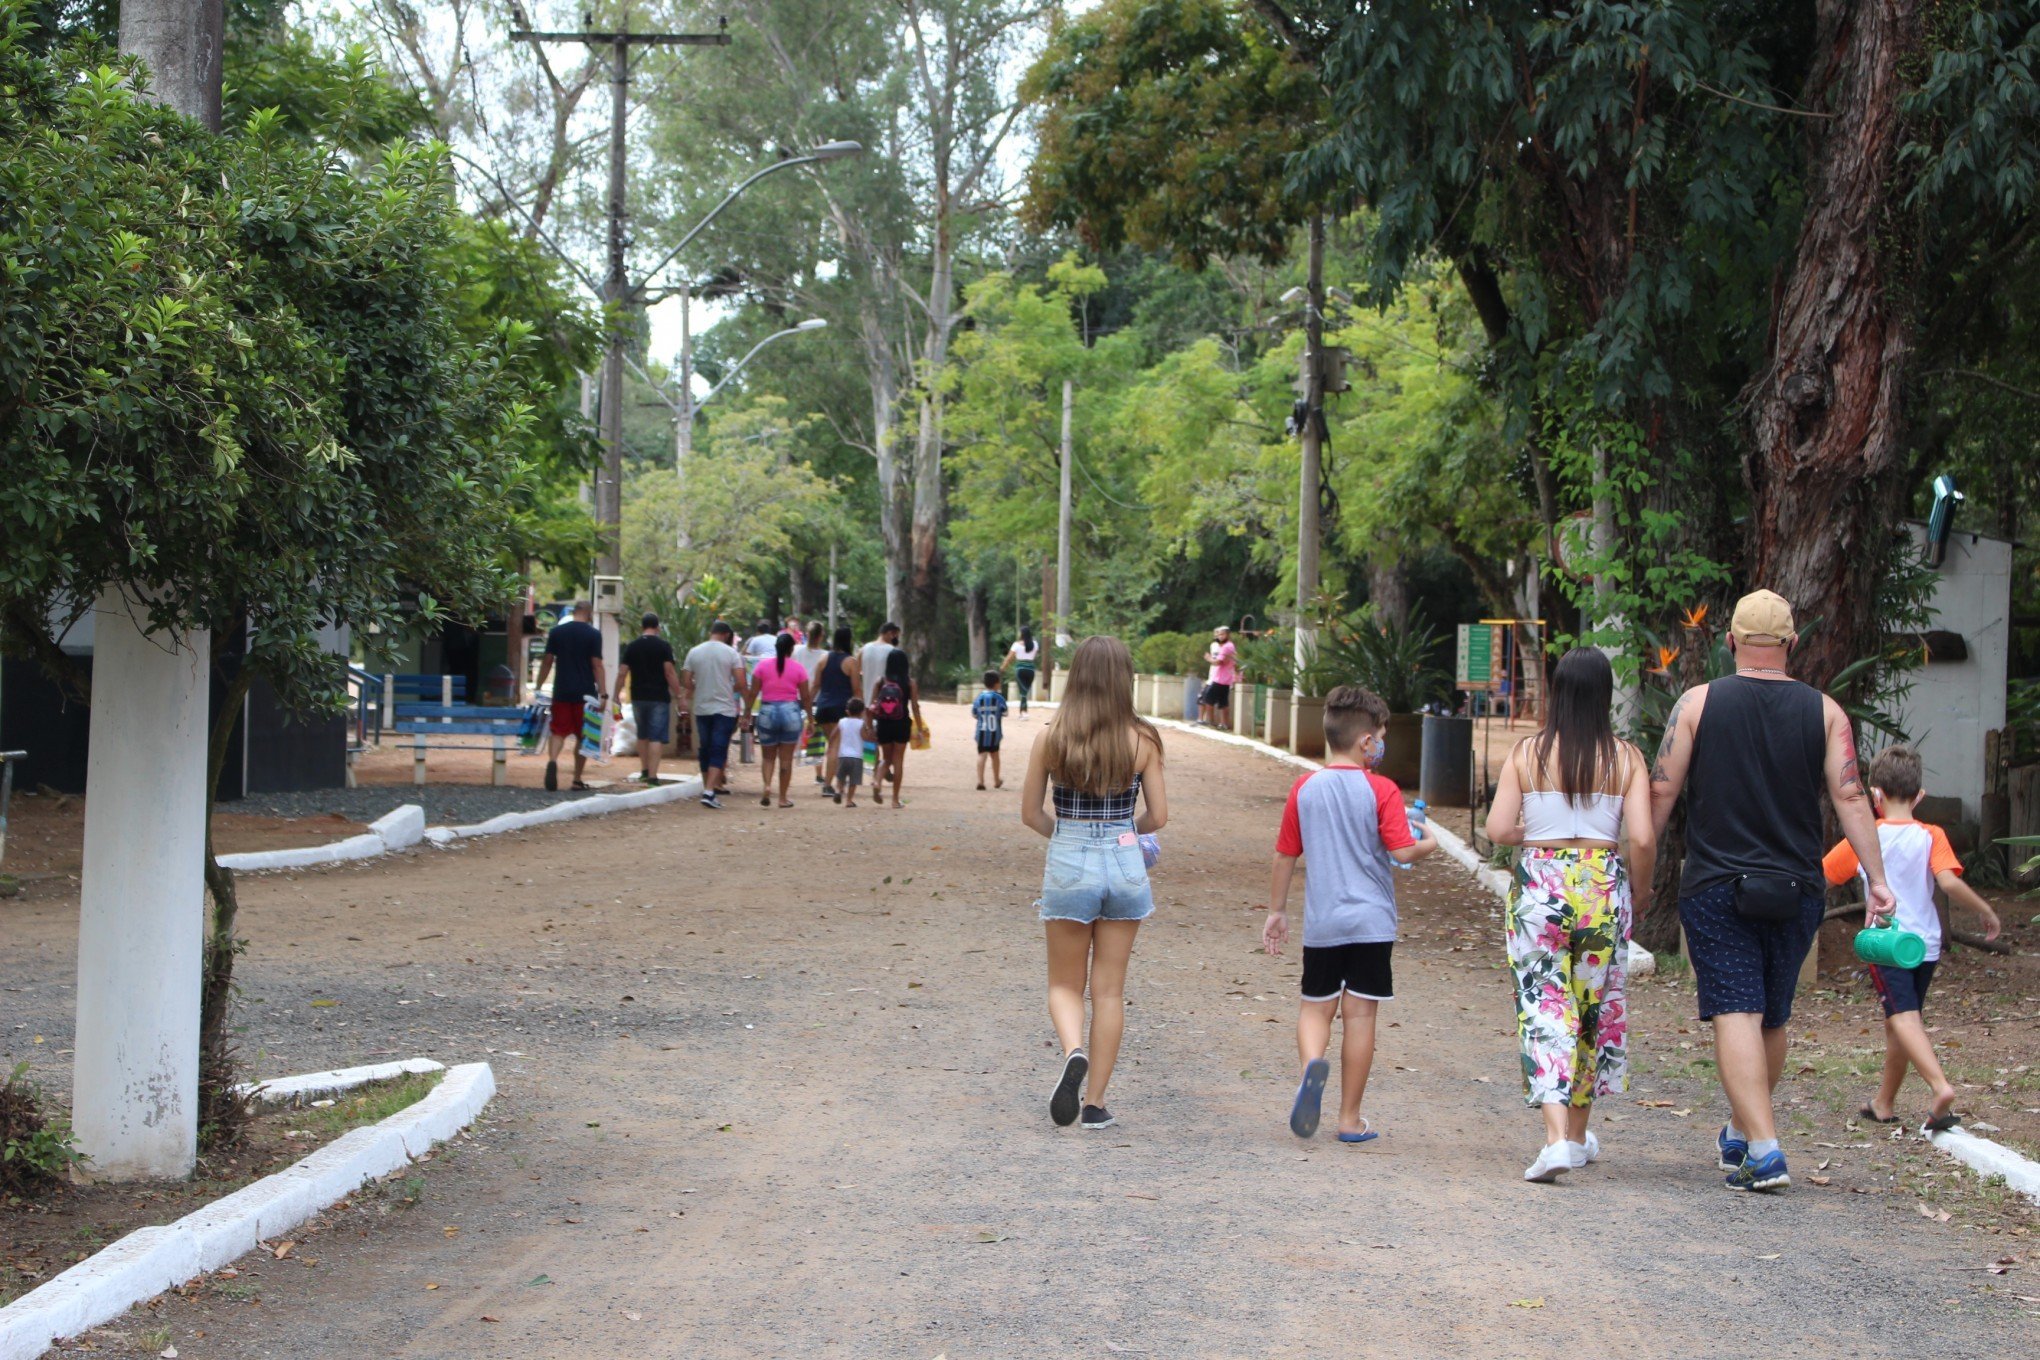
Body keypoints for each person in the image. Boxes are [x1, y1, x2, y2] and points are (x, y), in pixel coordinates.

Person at [1650, 588, 1896, 1192]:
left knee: (1736, 1009)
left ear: (1730, 642)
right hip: (1796, 888)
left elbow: (1661, 792)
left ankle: (1763, 1147)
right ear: (1791, 644)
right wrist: (1879, 880)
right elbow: (1850, 796)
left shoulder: (1697, 703)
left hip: (1716, 885)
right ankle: (1741, 1132)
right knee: (1772, 1016)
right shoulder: (1826, 712)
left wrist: (1638, 869)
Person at [1484, 648, 1655, 1181]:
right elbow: (1644, 837)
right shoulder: (1626, 758)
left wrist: (1533, 837)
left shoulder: (1527, 754)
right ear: (1605, 694)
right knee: (1590, 1010)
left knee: (1544, 1006)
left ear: (1557, 691)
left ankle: (1558, 1139)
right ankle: (1576, 1136)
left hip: (1541, 885)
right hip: (1603, 886)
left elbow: (1497, 829)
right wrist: (1640, 893)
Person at [1263, 685, 1436, 1145]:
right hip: (1371, 923)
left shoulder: (1305, 788)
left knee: (1315, 1009)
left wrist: (1276, 911)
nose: (1382, 745)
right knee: (1360, 1017)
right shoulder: (1380, 789)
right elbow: (1402, 849)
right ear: (1366, 743)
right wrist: (1429, 842)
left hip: (1323, 923)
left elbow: (1285, 855)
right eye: (1380, 736)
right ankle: (1348, 1118)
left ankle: (1309, 1072)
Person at [1021, 635, 1169, 1130]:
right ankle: (1096, 1104)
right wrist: (1126, 833)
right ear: (1123, 679)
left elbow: (1030, 814)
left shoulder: (1052, 736)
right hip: (1125, 864)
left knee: (1065, 983)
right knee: (1109, 991)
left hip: (1068, 861)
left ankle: (1073, 1050)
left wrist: (1065, 837)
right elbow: (1160, 816)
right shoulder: (1142, 740)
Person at [1822, 744, 2001, 1131]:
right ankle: (1883, 1102)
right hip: (1926, 946)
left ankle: (1940, 1088)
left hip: (1887, 944)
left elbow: (1824, 875)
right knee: (1902, 1021)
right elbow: (1948, 882)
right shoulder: (1931, 834)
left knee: (1903, 1018)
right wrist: (1985, 909)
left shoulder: (1863, 835)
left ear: (1875, 795)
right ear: (1919, 796)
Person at [532, 601, 605, 792]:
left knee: (558, 731)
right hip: (585, 693)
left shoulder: (557, 632)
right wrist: (603, 693)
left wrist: (539, 685)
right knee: (583, 736)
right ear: (588, 614)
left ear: (575, 612)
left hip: (561, 690)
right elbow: (597, 664)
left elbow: (547, 661)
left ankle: (553, 761)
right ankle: (577, 779)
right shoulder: (593, 635)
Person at [681, 620, 746, 811]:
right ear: (726, 635)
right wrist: (727, 687)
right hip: (724, 708)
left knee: (705, 747)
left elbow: (686, 680)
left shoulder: (694, 651)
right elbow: (741, 682)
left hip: (702, 707)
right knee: (719, 748)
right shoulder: (731, 653)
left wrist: (698, 688)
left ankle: (706, 788)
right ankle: (710, 790)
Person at [743, 631, 813, 808]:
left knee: (768, 757)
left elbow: (753, 693)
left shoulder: (762, 666)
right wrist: (811, 719)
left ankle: (767, 786)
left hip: (767, 711)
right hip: (790, 711)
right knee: (786, 760)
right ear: (791, 649)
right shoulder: (798, 668)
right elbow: (805, 697)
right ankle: (782, 798)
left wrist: (746, 714)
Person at [616, 613, 681, 786]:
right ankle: (653, 776)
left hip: (638, 696)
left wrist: (616, 694)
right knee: (656, 737)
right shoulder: (664, 646)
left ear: (642, 627)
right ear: (657, 627)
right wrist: (679, 694)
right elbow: (669, 672)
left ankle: (644, 770)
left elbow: (622, 672)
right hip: (659, 696)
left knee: (642, 734)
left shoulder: (632, 647)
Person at [869, 648, 922, 809]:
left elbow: (872, 705)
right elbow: (914, 707)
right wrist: (919, 728)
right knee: (898, 760)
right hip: (901, 724)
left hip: (884, 724)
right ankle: (894, 800)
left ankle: (877, 781)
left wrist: (870, 726)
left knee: (886, 758)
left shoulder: (880, 681)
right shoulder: (910, 683)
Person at [813, 626, 861, 803]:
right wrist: (861, 710)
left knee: (832, 744)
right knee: (835, 746)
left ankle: (834, 780)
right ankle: (828, 784)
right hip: (841, 708)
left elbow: (816, 684)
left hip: (823, 707)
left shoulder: (823, 659)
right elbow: (856, 688)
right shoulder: (851, 662)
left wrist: (807, 705)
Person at [795, 622, 832, 792]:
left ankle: (814, 770)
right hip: (818, 699)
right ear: (821, 636)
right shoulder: (826, 655)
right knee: (819, 737)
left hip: (798, 697)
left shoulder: (796, 651)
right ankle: (819, 772)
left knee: (803, 735)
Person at [974, 669, 1009, 791]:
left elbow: (974, 714)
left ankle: (980, 781)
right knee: (995, 756)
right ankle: (996, 780)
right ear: (997, 683)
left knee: (981, 755)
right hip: (995, 733)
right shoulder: (999, 698)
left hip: (982, 732)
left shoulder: (979, 698)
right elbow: (1005, 713)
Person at [1199, 625, 1238, 728]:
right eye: (1219, 634)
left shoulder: (1226, 647)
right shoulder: (1229, 646)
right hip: (1225, 679)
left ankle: (1210, 722)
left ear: (1228, 635)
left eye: (1222, 634)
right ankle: (1224, 724)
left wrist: (1208, 658)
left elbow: (1218, 662)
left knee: (1208, 699)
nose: (1220, 636)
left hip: (1220, 679)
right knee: (1223, 703)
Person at [836, 698, 869, 808]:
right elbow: (864, 737)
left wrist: (831, 745)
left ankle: (839, 791)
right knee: (853, 781)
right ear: (862, 712)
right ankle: (849, 800)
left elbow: (833, 735)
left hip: (842, 755)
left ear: (847, 711)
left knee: (841, 777)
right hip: (856, 757)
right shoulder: (861, 723)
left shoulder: (842, 722)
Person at [860, 621, 901, 708]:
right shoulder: (893, 651)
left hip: (866, 701)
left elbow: (858, 672)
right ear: (890, 634)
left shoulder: (863, 649)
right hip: (887, 702)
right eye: (896, 636)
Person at [1003, 626, 1040, 718]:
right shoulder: (1035, 644)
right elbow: (1034, 656)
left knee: (1023, 692)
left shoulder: (1016, 645)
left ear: (1022, 634)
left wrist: (1003, 667)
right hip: (1031, 670)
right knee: (1024, 692)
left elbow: (1009, 658)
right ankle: (1023, 711)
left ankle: (1024, 712)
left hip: (1020, 670)